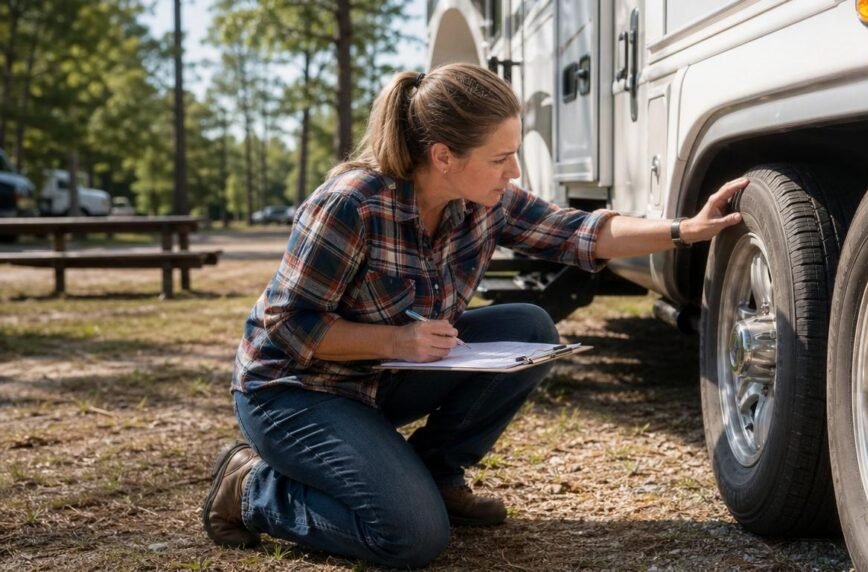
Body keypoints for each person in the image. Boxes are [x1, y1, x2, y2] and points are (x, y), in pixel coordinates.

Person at [201, 63, 746, 568]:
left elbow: (580, 232)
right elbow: (290, 327)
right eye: (500, 157)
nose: (515, 171)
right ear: (443, 156)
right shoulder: (351, 204)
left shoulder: (487, 200)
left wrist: (684, 229)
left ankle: (437, 474)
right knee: (411, 538)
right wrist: (398, 342)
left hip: (384, 378)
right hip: (294, 392)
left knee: (529, 327)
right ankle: (250, 489)